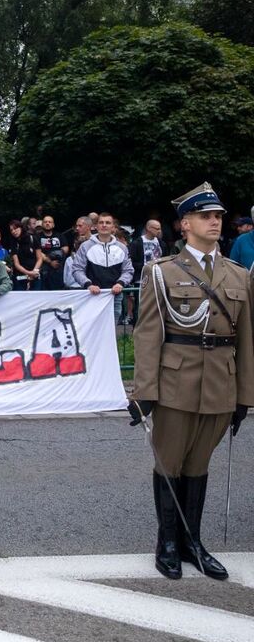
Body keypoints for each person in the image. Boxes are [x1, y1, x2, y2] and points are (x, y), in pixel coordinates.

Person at [130, 182, 254, 582]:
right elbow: (148, 335)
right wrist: (145, 391)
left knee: (199, 465)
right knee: (170, 464)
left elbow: (247, 340)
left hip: (221, 384)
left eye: (218, 216)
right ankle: (167, 542)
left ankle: (192, 543)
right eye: (206, 216)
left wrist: (246, 396)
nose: (215, 222)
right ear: (185, 224)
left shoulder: (238, 275)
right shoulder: (162, 272)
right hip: (175, 383)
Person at [70, 212, 134, 320]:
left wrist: (120, 283)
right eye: (101, 222)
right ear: (96, 226)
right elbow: (77, 269)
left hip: (115, 296)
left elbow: (128, 270)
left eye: (108, 223)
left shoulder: (122, 247)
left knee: (111, 331)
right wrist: (88, 285)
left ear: (113, 227)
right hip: (91, 295)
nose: (104, 225)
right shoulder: (85, 246)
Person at [127, 220, 168, 324]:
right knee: (140, 305)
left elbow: (165, 259)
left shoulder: (162, 244)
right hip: (141, 280)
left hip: (158, 279)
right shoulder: (136, 243)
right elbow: (131, 262)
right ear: (149, 228)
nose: (159, 231)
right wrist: (146, 266)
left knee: (157, 304)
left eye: (160, 228)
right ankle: (137, 328)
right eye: (157, 228)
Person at [7, 220, 43, 291]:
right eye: (11, 230)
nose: (14, 231)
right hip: (20, 276)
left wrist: (34, 271)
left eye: (16, 228)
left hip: (35, 274)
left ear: (21, 228)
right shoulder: (13, 243)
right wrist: (28, 273)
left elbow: (40, 258)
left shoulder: (33, 238)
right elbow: (16, 263)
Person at [35, 216, 68, 291]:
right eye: (45, 222)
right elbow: (38, 252)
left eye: (50, 222)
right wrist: (50, 261)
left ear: (53, 225)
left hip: (58, 268)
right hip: (44, 270)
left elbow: (66, 248)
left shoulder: (59, 235)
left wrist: (58, 254)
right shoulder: (37, 237)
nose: (47, 223)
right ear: (42, 224)